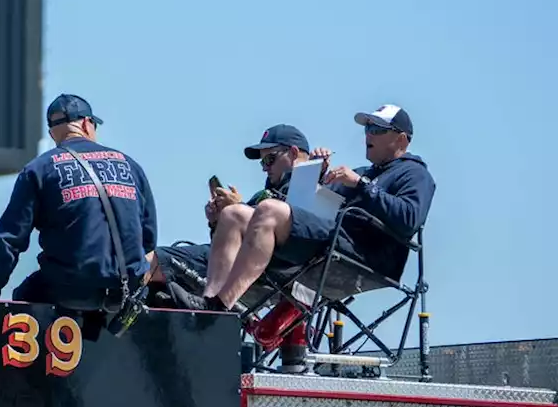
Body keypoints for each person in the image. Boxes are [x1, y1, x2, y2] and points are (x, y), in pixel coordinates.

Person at [174, 104, 436, 313]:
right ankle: (210, 304)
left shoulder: (414, 174)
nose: (368, 134)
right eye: (368, 127)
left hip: (364, 253)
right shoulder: (364, 173)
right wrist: (317, 173)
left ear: (401, 139)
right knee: (234, 214)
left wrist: (361, 185)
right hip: (333, 239)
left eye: (378, 129)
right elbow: (314, 203)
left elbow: (409, 218)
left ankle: (222, 306)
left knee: (269, 209)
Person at [0, 94, 157, 313]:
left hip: (71, 290)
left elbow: (10, 239)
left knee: (25, 296)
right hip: (127, 292)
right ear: (88, 124)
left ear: (52, 133)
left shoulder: (39, 169)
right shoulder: (130, 166)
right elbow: (148, 238)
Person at [146, 124, 311, 304]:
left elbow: (282, 239)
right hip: (228, 263)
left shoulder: (308, 190)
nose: (265, 168)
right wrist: (217, 222)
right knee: (158, 291)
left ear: (294, 153)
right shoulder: (266, 195)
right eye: (263, 162)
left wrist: (238, 208)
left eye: (269, 159)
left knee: (152, 262)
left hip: (258, 268)